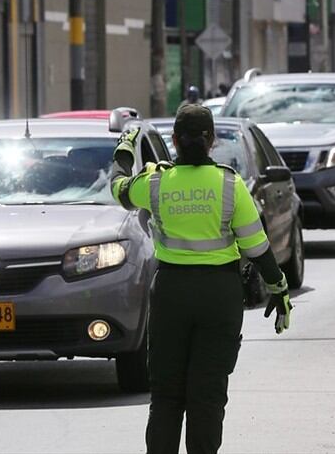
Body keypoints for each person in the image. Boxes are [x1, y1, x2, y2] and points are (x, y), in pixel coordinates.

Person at [110, 104, 291, 454]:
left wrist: (124, 151)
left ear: (174, 140)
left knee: (166, 395)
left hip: (170, 294)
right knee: (207, 395)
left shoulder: (156, 183)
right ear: (212, 141)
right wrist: (279, 289)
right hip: (219, 296)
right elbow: (257, 248)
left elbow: (119, 188)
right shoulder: (230, 185)